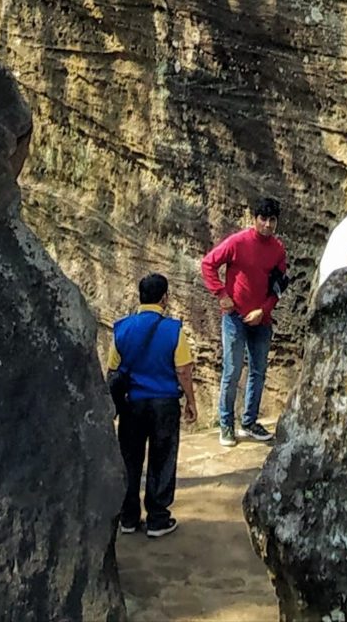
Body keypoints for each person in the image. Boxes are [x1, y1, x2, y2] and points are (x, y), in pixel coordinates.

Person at [105, 271, 197, 540]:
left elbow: (113, 369)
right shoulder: (173, 330)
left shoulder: (122, 328)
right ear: (165, 298)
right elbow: (183, 371)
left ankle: (128, 517)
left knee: (130, 459)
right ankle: (157, 518)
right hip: (164, 404)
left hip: (132, 404)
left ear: (140, 296)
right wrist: (191, 401)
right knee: (162, 458)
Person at [199, 194, 288, 444]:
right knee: (232, 371)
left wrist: (264, 310)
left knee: (258, 372)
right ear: (254, 219)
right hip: (235, 317)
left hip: (262, 320)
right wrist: (221, 294)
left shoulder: (278, 250)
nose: (268, 225)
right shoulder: (238, 242)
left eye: (272, 220)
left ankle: (249, 423)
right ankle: (226, 424)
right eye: (264, 219)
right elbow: (208, 264)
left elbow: (280, 285)